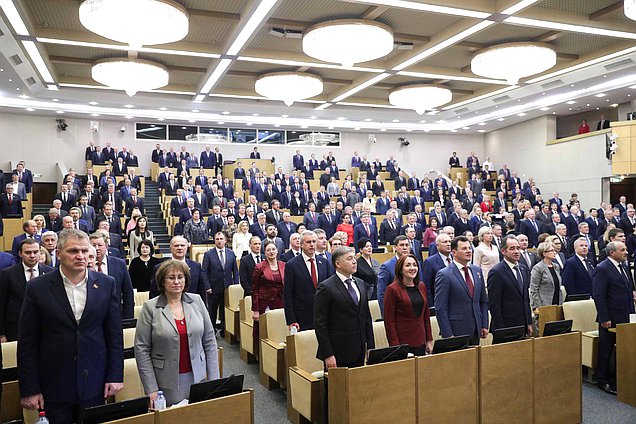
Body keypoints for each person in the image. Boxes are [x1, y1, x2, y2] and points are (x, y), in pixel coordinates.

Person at [18, 229, 123, 422]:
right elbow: (27, 343)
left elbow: (114, 334)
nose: (80, 256)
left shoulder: (107, 284)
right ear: (58, 254)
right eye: (73, 251)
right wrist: (30, 388)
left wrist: (115, 374)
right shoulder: (37, 287)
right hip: (54, 382)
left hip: (94, 380)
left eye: (84, 251)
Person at [135, 260, 219, 407]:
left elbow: (210, 341)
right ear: (162, 281)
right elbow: (142, 350)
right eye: (171, 277)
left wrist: (214, 379)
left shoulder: (197, 301)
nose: (176, 282)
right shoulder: (150, 307)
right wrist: (151, 388)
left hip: (198, 377)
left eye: (180, 277)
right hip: (166, 382)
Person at [315, 246, 374, 369]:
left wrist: (370, 347)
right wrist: (328, 354)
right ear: (338, 263)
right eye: (349, 259)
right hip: (337, 352)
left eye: (354, 258)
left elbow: (366, 317)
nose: (354, 261)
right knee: (337, 388)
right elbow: (320, 323)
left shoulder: (360, 283)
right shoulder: (326, 287)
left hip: (359, 349)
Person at [593, 241, 635, 395]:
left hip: (626, 315)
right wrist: (604, 317)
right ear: (612, 252)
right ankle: (603, 380)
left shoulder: (623, 266)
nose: (626, 252)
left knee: (623, 349)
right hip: (610, 317)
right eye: (622, 250)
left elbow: (628, 291)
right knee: (606, 350)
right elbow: (599, 295)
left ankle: (618, 378)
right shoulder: (602, 268)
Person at [435, 236, 489, 345]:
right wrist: (448, 334)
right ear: (454, 252)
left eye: (469, 248)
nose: (469, 251)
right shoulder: (444, 274)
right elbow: (441, 308)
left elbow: (483, 300)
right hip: (456, 331)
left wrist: (484, 324)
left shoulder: (477, 270)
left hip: (476, 329)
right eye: (464, 249)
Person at [0, 239, 54, 342]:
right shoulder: (7, 274)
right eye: (28, 252)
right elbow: (1, 304)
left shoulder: (50, 273)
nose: (32, 255)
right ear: (20, 254)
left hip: (45, 330)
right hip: (15, 330)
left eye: (35, 252)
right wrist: (1, 334)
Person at [384, 254, 433, 355]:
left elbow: (426, 316)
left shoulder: (421, 286)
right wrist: (396, 347)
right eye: (408, 265)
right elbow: (389, 321)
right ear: (400, 270)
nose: (412, 268)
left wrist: (429, 339)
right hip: (402, 343)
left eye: (415, 265)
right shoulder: (392, 289)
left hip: (421, 340)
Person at [284, 230, 333, 330]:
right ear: (301, 244)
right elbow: (288, 295)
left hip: (324, 315)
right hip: (302, 316)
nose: (312, 245)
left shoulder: (324, 262)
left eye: (314, 242)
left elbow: (330, 289)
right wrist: (291, 320)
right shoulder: (291, 265)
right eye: (308, 242)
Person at [487, 235, 533, 336]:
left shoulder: (523, 269)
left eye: (518, 248)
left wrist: (529, 322)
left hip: (522, 323)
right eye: (512, 249)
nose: (516, 251)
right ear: (503, 251)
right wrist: (501, 329)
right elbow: (494, 304)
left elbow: (525, 299)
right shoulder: (496, 272)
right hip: (506, 325)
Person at [90, 232, 134, 319]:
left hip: (115, 315)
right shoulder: (85, 265)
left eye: (100, 245)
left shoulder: (119, 264)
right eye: (93, 245)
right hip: (92, 317)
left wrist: (128, 317)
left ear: (106, 246)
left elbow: (128, 292)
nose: (97, 248)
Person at [202, 232, 238, 336]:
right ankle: (211, 331)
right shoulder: (208, 254)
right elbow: (204, 272)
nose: (219, 241)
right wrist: (207, 286)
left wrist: (235, 285)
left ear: (225, 240)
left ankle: (224, 330)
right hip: (213, 288)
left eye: (221, 238)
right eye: (217, 239)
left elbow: (235, 271)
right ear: (214, 240)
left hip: (228, 287)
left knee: (225, 310)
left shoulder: (231, 253)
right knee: (212, 310)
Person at [251, 240, 286, 345]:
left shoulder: (284, 265)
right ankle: (262, 354)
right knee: (264, 329)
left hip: (280, 301)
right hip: (265, 302)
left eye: (273, 249)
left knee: (279, 327)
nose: (271, 252)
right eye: (268, 250)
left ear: (277, 251)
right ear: (265, 253)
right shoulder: (259, 267)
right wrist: (255, 309)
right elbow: (255, 289)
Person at [378, 236, 418, 314]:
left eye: (407, 245)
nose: (404, 248)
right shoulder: (386, 266)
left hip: (415, 308)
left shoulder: (416, 264)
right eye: (402, 245)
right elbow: (382, 293)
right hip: (397, 310)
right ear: (395, 247)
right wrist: (386, 314)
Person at [529, 241, 563, 311]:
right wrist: (539, 307)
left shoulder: (556, 266)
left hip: (557, 303)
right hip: (544, 305)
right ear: (544, 253)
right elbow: (534, 290)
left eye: (554, 250)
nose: (554, 252)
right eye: (551, 250)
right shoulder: (538, 268)